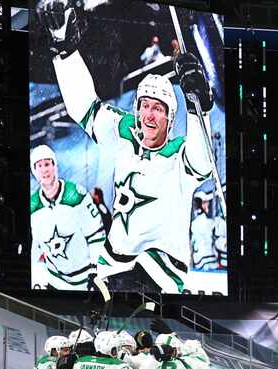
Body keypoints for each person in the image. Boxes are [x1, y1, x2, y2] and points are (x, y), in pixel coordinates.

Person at [37, 0, 218, 293]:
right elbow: (83, 106)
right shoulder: (124, 132)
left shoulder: (179, 157)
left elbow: (203, 161)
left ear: (170, 120)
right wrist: (65, 51)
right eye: (144, 106)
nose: (148, 114)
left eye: (158, 108)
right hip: (113, 267)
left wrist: (201, 108)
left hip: (161, 273)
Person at [30, 144, 106, 290]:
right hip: (54, 281)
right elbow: (35, 248)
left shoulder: (76, 195)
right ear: (35, 172)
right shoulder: (33, 206)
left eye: (47, 164)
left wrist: (97, 273)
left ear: (55, 166)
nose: (44, 170)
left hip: (85, 281)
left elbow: (96, 236)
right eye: (39, 166)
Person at [191, 190, 227, 270]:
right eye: (204, 202)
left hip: (202, 264)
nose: (207, 204)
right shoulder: (207, 222)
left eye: (206, 202)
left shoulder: (196, 223)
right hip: (208, 264)